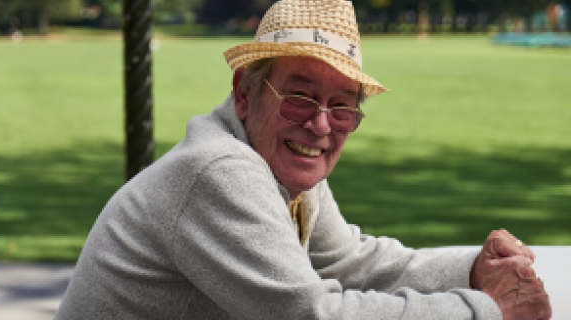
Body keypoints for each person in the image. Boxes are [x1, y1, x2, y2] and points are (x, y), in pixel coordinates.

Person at [56, 0, 551, 319]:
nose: (319, 125)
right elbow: (311, 314)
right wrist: (485, 308)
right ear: (244, 93)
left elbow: (350, 263)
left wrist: (472, 269)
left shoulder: (279, 165)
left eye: (342, 106)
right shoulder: (219, 171)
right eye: (298, 95)